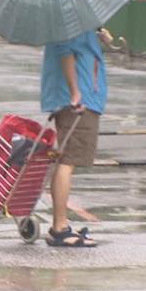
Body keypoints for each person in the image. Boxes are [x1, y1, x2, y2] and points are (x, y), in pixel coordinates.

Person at [40, 28, 115, 247]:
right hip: (79, 102)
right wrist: (75, 92)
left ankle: (60, 225)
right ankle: (60, 227)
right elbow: (66, 53)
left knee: (65, 160)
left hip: (82, 99)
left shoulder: (78, 20)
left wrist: (99, 37)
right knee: (67, 161)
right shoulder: (69, 18)